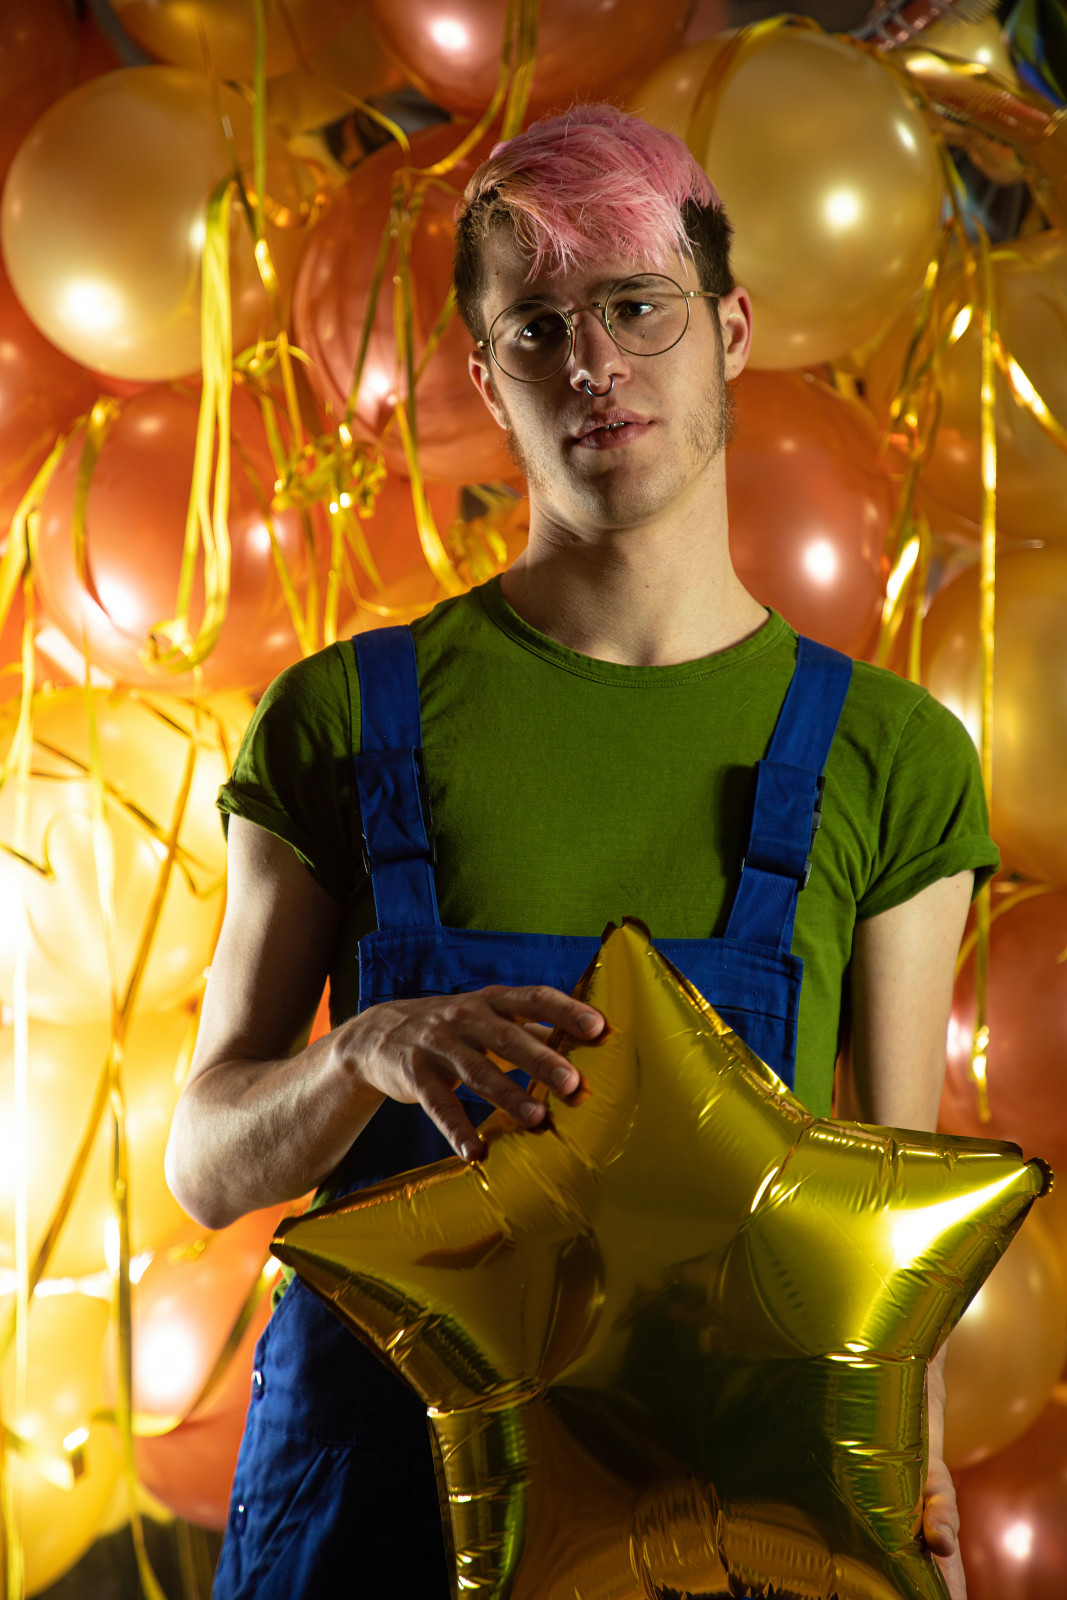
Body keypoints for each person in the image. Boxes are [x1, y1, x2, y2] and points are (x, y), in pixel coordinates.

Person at [166, 104, 997, 1600]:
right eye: (538, 328)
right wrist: (363, 1050)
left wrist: (908, 1495)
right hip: (368, 1519)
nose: (594, 363)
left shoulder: (889, 757)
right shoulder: (343, 717)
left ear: (729, 330)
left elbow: (900, 1229)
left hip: (715, 1531)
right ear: (488, 379)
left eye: (636, 306)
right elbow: (208, 1165)